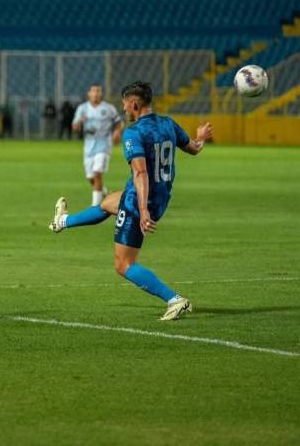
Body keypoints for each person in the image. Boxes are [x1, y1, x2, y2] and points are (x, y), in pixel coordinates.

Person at [49, 81, 213, 321]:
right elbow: (194, 148)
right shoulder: (168, 123)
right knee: (107, 203)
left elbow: (140, 172)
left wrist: (143, 210)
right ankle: (62, 222)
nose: (124, 108)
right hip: (160, 197)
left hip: (139, 200)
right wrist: (201, 137)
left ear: (134, 104)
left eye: (125, 104)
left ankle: (174, 300)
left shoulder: (134, 132)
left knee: (123, 264)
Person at [72, 84, 123, 206]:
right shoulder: (82, 108)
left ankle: (95, 206)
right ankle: (105, 192)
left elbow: (119, 122)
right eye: (93, 91)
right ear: (89, 93)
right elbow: (74, 127)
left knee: (97, 173)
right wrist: (79, 122)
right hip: (89, 147)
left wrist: (117, 132)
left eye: (98, 91)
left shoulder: (109, 108)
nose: (96, 93)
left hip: (104, 145)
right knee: (91, 178)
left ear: (101, 93)